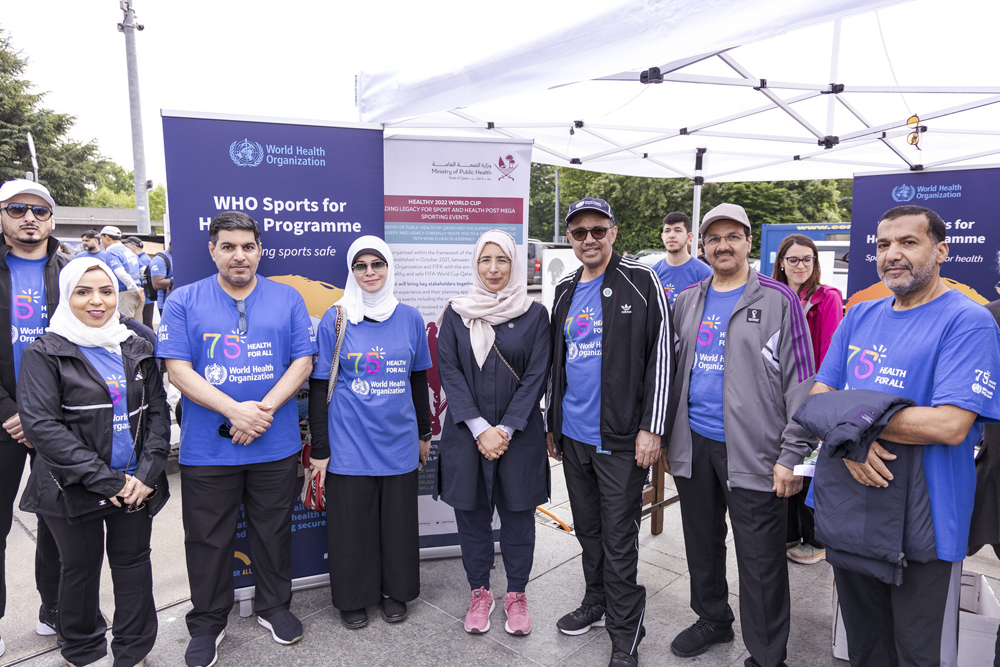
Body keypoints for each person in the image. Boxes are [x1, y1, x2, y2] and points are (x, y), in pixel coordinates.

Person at [808, 205, 1000, 666]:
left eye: (908, 243)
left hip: (927, 521)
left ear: (941, 250)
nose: (892, 254)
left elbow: (949, 425)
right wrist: (852, 441)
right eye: (882, 245)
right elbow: (816, 396)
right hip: (850, 508)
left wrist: (850, 424)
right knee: (866, 646)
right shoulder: (859, 315)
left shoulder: (968, 321)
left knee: (919, 654)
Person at [157, 212, 316, 667]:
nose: (239, 255)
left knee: (272, 531)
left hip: (274, 443)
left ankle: (274, 606)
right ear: (213, 250)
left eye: (247, 246)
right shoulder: (184, 301)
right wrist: (233, 411)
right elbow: (178, 369)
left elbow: (303, 361)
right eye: (228, 246)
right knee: (207, 538)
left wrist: (259, 412)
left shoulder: (287, 299)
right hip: (208, 448)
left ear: (260, 248)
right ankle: (208, 621)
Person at [666, 203, 815, 667]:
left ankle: (768, 654)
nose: (723, 245)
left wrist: (794, 454)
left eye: (733, 236)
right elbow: (670, 372)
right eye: (714, 238)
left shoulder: (777, 299)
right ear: (703, 245)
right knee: (701, 543)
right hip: (695, 444)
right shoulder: (688, 298)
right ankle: (712, 618)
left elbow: (801, 381)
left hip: (754, 451)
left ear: (750, 242)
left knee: (760, 559)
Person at [17, 258, 170, 667]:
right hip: (73, 487)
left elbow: (158, 413)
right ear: (67, 297)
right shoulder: (44, 351)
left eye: (105, 291)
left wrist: (146, 473)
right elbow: (43, 427)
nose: (97, 300)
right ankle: (83, 651)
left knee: (134, 566)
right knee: (80, 570)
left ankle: (133, 649)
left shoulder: (136, 344)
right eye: (83, 292)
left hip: (136, 482)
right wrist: (110, 482)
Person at [546, 198, 672, 667]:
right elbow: (556, 365)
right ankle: (595, 603)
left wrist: (651, 428)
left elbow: (662, 357)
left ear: (613, 233)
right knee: (590, 531)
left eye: (598, 230)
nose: (589, 240)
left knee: (620, 537)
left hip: (622, 438)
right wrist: (552, 425)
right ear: (571, 240)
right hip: (574, 437)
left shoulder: (642, 281)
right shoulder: (562, 290)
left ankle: (625, 631)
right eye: (579, 233)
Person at [308, 236, 431, 630]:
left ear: (389, 267)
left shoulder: (410, 317)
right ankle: (353, 597)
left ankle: (395, 592)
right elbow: (318, 384)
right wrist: (320, 448)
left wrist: (424, 433)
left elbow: (418, 380)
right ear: (352, 272)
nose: (370, 272)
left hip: (398, 440)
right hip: (349, 441)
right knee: (352, 526)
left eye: (377, 264)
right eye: (360, 266)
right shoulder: (336, 317)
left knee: (397, 525)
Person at [436, 230, 551, 636]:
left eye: (502, 260)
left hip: (518, 435)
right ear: (475, 264)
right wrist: (480, 428)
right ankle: (480, 591)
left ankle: (516, 594)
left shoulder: (535, 314)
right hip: (467, 435)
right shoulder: (455, 312)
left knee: (519, 518)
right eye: (486, 260)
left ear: (514, 263)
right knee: (472, 518)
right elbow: (448, 372)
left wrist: (503, 429)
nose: (493, 268)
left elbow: (537, 375)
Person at [0, 179, 66, 656]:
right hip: (4, 420)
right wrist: (10, 411)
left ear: (51, 219)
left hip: (59, 420)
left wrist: (44, 415)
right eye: (17, 209)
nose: (29, 218)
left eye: (39, 211)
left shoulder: (71, 271)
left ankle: (57, 610)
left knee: (60, 524)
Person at [771, 233, 843, 565]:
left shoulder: (826, 297)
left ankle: (814, 541)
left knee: (809, 465)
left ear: (815, 263)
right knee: (783, 461)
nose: (800, 266)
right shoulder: (773, 295)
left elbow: (829, 350)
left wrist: (818, 397)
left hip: (812, 392)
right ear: (781, 262)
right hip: (777, 394)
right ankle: (786, 535)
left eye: (807, 259)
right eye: (793, 259)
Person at [651, 212, 712, 307]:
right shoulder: (653, 273)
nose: (671, 235)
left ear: (689, 237)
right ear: (662, 237)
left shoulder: (705, 273)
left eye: (677, 230)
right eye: (667, 231)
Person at [99, 226, 144, 320]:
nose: (101, 241)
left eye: (101, 237)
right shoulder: (129, 250)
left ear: (107, 237)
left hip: (125, 294)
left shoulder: (111, 252)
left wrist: (135, 289)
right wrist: (140, 288)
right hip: (137, 292)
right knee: (137, 328)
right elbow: (143, 270)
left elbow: (120, 273)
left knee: (125, 327)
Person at [123, 236, 155, 329]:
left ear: (133, 246)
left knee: (146, 325)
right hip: (144, 296)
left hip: (145, 296)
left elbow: (146, 279)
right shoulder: (143, 258)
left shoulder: (143, 259)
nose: (125, 249)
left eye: (126, 246)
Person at [149, 243, 173, 314]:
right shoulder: (160, 259)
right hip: (166, 305)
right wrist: (181, 279)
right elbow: (157, 284)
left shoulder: (180, 257)